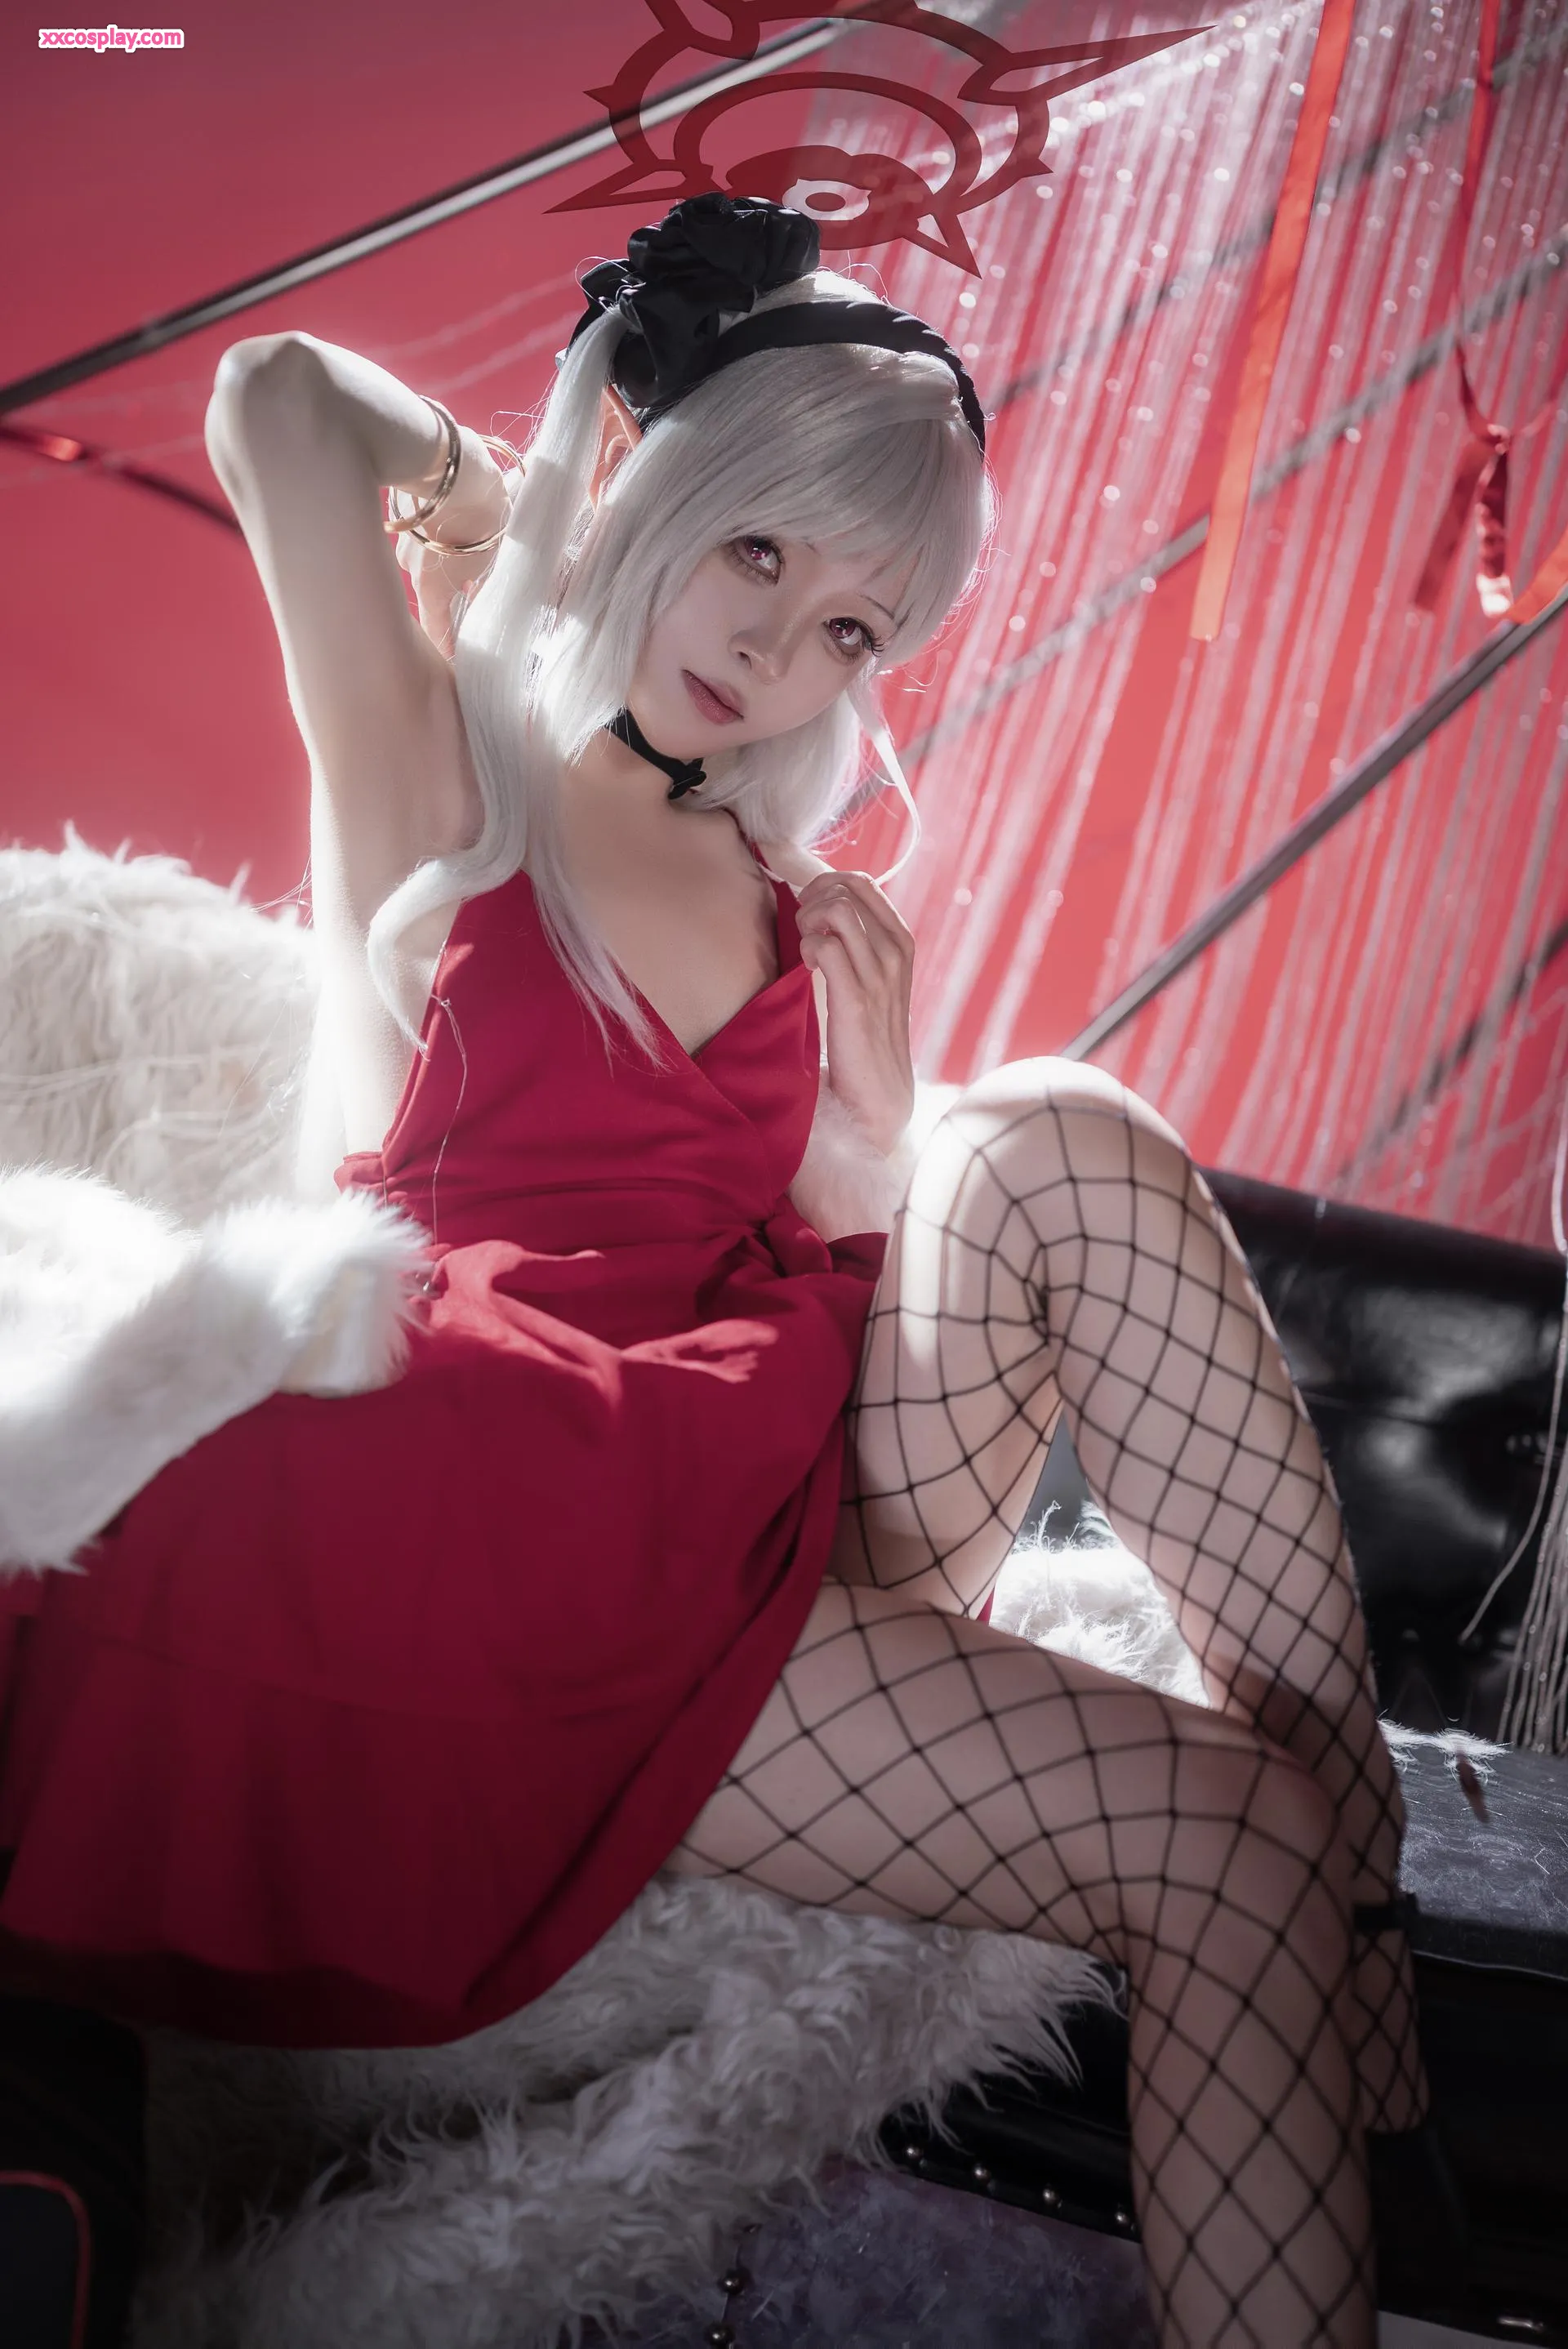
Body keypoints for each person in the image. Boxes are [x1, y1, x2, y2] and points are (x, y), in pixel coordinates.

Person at [0, 195, 1433, 2346]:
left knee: (1057, 1126)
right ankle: (1350, 1905)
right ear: (664, 481)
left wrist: (869, 1123)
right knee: (1225, 1846)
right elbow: (279, 404)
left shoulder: (790, 894)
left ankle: (1369, 1870)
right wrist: (521, 492)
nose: (776, 649)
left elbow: (831, 1271)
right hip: (563, 1528)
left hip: (787, 1474)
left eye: (852, 624)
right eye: (755, 548)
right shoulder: (454, 777)